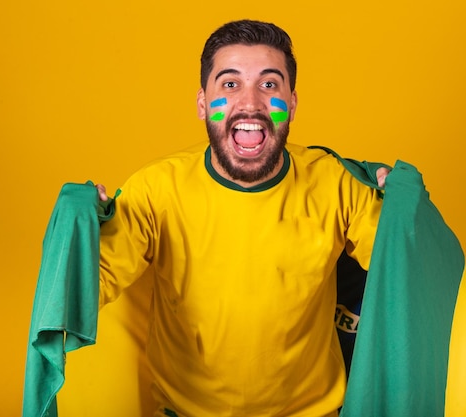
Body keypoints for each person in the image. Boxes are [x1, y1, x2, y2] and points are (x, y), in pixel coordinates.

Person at [96, 19, 389, 417]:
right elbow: (86, 285)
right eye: (230, 85)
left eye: (269, 85)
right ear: (203, 103)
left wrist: (403, 201)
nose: (250, 103)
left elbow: (405, 268)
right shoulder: (154, 190)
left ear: (293, 102)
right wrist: (78, 229)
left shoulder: (336, 183)